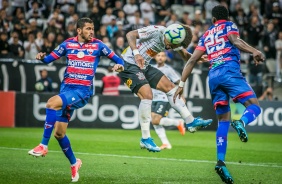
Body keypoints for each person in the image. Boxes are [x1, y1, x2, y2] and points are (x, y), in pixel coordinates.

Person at [173, 5, 265, 184]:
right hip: (229, 71)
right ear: (226, 17)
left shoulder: (206, 34)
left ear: (213, 19)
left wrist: (181, 84)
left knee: (223, 121)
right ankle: (241, 121)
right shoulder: (229, 25)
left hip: (213, 77)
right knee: (254, 106)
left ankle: (221, 162)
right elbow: (235, 41)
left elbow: (192, 59)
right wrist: (255, 51)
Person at [28, 17, 124, 182]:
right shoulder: (67, 44)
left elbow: (119, 60)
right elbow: (49, 58)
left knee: (51, 103)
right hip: (66, 89)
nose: (91, 32)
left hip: (82, 91)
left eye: (92, 28)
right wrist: (41, 57)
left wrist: (119, 66)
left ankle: (43, 145)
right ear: (78, 30)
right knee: (59, 133)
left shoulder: (98, 45)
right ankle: (74, 163)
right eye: (88, 29)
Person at [120, 23, 213, 152]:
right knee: (147, 95)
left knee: (171, 87)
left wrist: (197, 58)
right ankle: (145, 138)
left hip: (144, 65)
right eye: (170, 44)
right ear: (167, 35)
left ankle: (190, 122)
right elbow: (130, 34)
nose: (169, 47)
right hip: (128, 63)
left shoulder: (173, 38)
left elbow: (185, 55)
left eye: (173, 46)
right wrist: (136, 53)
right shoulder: (156, 31)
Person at [151, 52, 185, 150]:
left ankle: (178, 122)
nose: (160, 57)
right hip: (153, 97)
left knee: (156, 120)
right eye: (158, 55)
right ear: (155, 57)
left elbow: (179, 81)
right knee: (154, 122)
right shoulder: (152, 68)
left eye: (162, 56)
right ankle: (166, 143)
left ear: (165, 58)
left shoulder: (168, 70)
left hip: (164, 98)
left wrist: (181, 94)